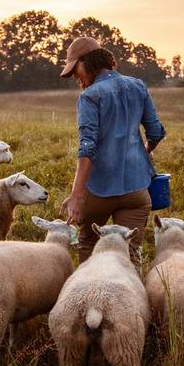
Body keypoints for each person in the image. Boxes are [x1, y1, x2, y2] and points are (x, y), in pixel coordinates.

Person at [58, 36, 166, 265]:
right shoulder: (138, 85)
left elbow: (87, 147)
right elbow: (156, 132)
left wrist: (76, 196)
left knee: (88, 244)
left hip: (99, 190)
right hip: (137, 189)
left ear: (86, 62)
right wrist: (144, 153)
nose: (76, 77)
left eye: (75, 69)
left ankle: (87, 295)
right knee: (130, 254)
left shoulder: (90, 96)